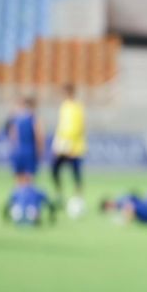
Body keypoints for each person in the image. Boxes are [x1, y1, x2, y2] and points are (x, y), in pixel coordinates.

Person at [51, 84, 87, 215]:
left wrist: (71, 146)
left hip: (75, 148)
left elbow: (80, 128)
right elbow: (61, 126)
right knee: (54, 169)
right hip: (62, 146)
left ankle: (78, 198)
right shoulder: (64, 106)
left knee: (76, 174)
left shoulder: (78, 107)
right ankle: (59, 193)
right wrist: (57, 144)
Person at [6, 95, 44, 185]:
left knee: (18, 179)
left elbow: (12, 135)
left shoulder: (16, 118)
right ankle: (27, 197)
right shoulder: (33, 118)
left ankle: (19, 197)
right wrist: (40, 150)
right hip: (29, 150)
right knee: (29, 179)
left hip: (17, 150)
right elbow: (39, 135)